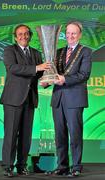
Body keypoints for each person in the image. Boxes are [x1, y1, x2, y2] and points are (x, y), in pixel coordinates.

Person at [41, 21, 92, 177]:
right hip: (58, 98)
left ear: (80, 35)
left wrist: (64, 79)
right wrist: (46, 81)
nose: (70, 36)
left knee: (75, 134)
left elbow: (84, 75)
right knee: (60, 135)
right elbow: (53, 73)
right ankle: (62, 166)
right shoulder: (59, 51)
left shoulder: (86, 52)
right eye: (68, 33)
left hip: (75, 99)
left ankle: (76, 167)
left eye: (74, 33)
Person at [0, 24, 51, 177]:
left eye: (26, 33)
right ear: (16, 37)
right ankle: (7, 166)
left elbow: (40, 74)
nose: (23, 36)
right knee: (11, 134)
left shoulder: (35, 53)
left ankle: (21, 166)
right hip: (13, 99)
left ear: (30, 36)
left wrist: (47, 80)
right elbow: (13, 68)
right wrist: (37, 68)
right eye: (20, 34)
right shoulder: (10, 50)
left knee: (26, 136)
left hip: (30, 98)